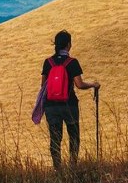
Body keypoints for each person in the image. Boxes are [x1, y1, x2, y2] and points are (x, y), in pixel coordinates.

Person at [41, 30, 100, 169]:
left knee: (55, 139)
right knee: (73, 136)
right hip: (69, 105)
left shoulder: (48, 62)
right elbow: (79, 84)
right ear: (68, 45)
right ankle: (73, 167)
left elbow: (43, 85)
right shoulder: (72, 62)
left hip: (51, 106)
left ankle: (58, 169)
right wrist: (93, 84)